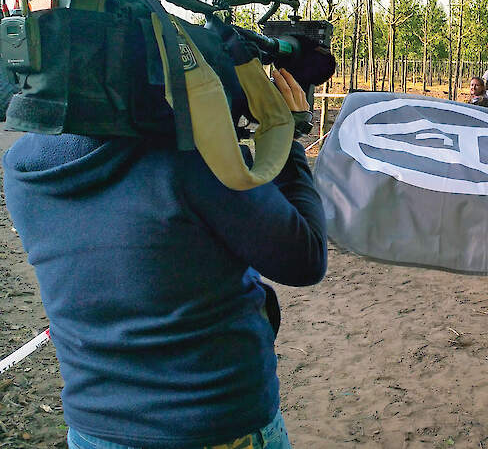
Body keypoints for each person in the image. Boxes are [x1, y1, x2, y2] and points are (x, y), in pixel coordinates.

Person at [3, 68, 327, 448]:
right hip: (214, 421)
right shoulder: (196, 158)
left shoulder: (21, 167)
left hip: (94, 427)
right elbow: (305, 258)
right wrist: (286, 136)